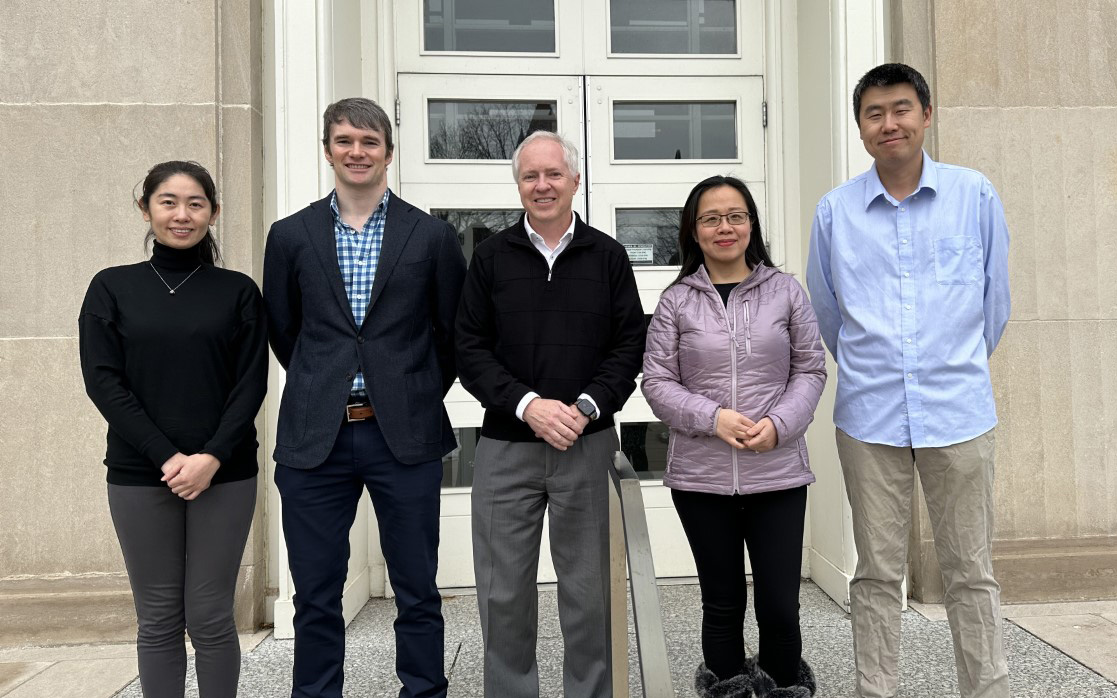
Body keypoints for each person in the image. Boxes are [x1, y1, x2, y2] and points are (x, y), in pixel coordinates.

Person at [806, 63, 1011, 698]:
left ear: (926, 115)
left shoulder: (973, 195)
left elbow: (994, 303)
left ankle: (987, 690)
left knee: (971, 572)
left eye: (900, 109)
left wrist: (951, 365)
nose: (888, 123)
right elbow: (826, 311)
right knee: (875, 573)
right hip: (870, 419)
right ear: (861, 127)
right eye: (874, 113)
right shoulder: (836, 211)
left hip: (960, 413)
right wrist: (878, 367)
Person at [263, 97, 466, 698]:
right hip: (314, 440)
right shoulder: (290, 235)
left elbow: (451, 334)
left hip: (401, 435)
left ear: (388, 153)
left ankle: (424, 690)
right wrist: (324, 384)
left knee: (417, 588)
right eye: (346, 140)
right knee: (317, 594)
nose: (358, 152)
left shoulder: (430, 236)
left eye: (370, 142)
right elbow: (285, 330)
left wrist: (413, 391)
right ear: (328, 150)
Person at [455, 130, 646, 698]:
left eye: (553, 174)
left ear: (575, 181)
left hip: (585, 446)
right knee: (502, 593)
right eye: (530, 176)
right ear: (518, 185)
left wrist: (586, 407)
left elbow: (629, 346)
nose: (542, 185)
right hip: (505, 449)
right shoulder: (489, 259)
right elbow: (469, 348)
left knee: (589, 594)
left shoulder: (608, 257)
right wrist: (528, 405)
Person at [79, 160, 267, 697]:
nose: (181, 215)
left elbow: (250, 385)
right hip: (141, 474)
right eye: (168, 202)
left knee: (210, 616)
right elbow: (104, 383)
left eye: (195, 204)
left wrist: (209, 456)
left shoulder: (237, 292)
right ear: (146, 209)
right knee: (158, 618)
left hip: (225, 473)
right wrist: (167, 456)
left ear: (213, 212)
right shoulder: (111, 289)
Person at [642, 176, 826, 698]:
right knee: (721, 602)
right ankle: (726, 690)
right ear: (693, 231)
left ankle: (785, 688)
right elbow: (656, 381)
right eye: (710, 218)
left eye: (736, 215)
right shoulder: (677, 301)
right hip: (701, 478)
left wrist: (779, 425)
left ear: (751, 224)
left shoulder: (786, 291)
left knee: (778, 604)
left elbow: (811, 370)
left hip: (779, 473)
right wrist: (713, 417)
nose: (725, 227)